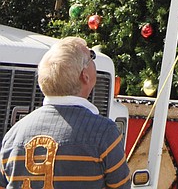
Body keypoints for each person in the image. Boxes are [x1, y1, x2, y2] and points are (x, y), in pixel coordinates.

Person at [0, 36, 131, 189]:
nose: (94, 60)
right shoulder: (104, 133)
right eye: (91, 57)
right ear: (85, 76)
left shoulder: (13, 135)